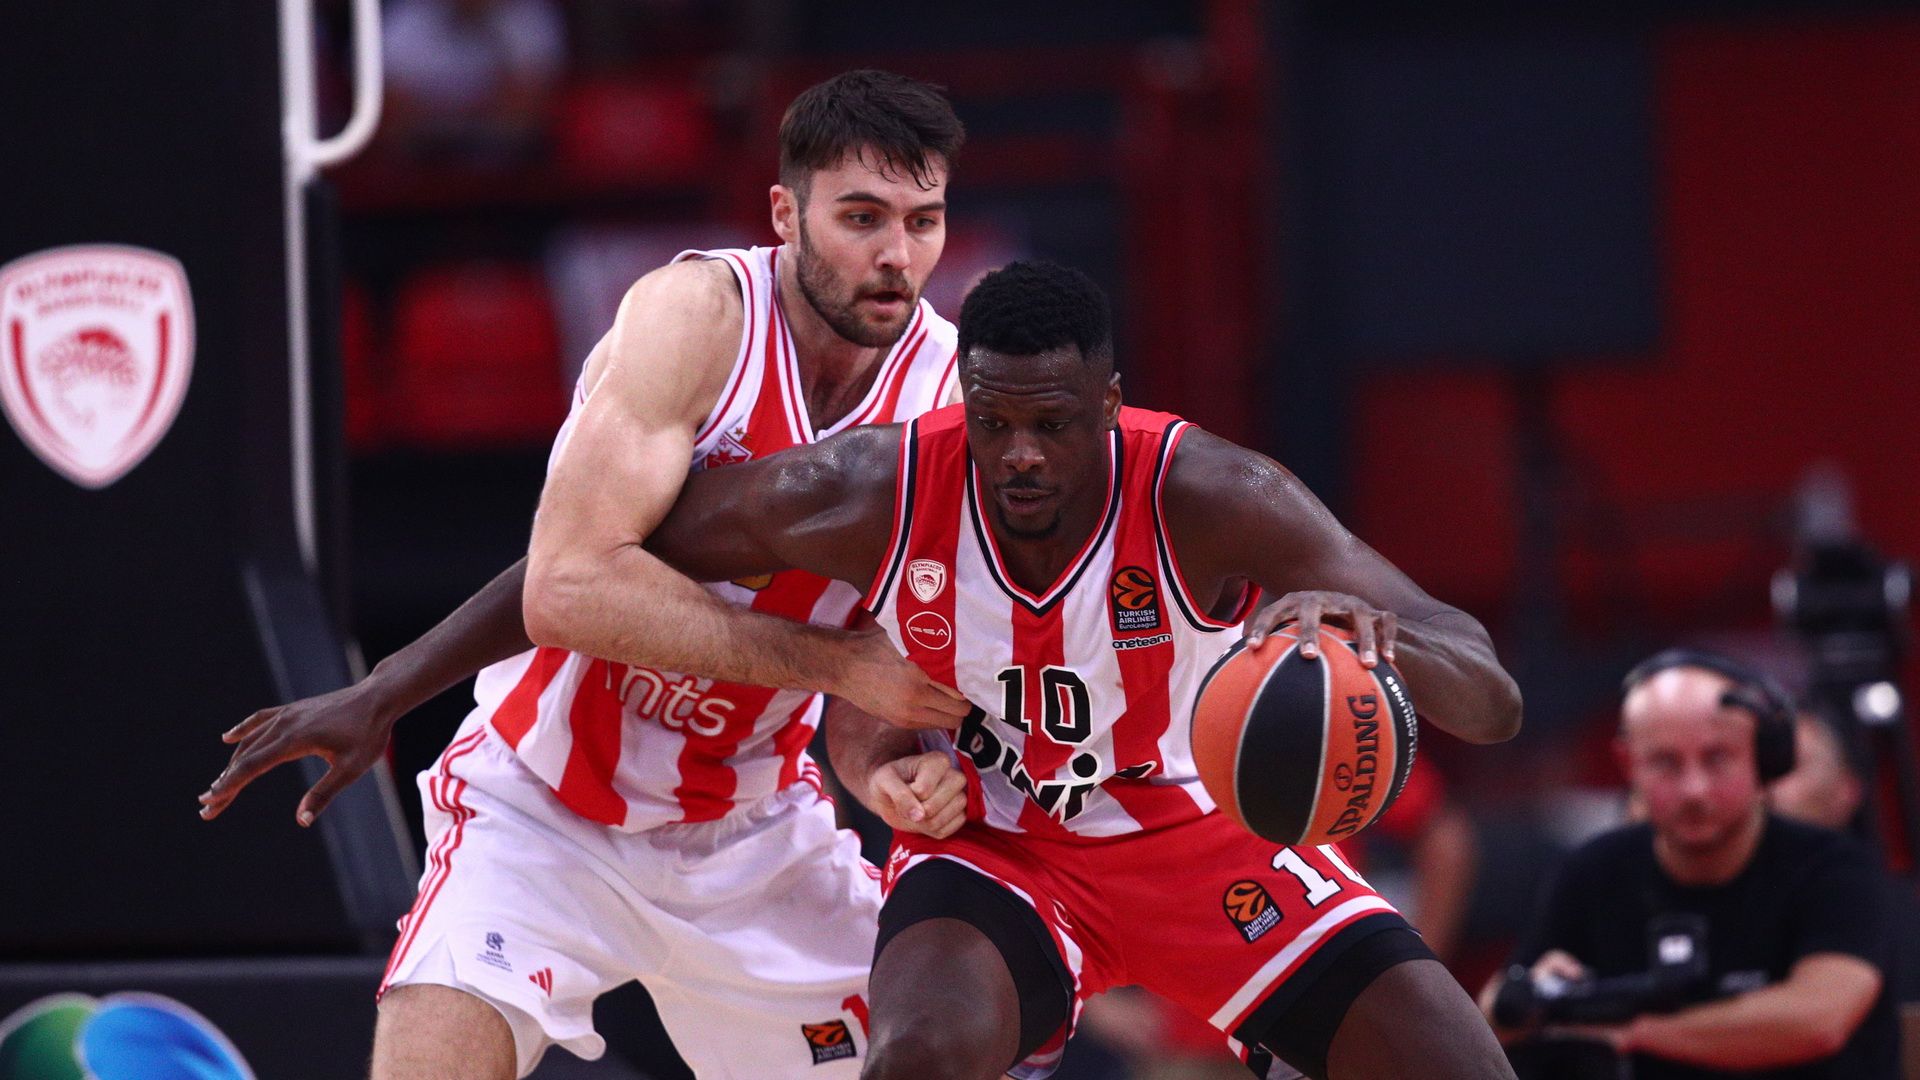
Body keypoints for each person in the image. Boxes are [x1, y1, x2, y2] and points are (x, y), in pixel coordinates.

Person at [201, 70, 974, 1079]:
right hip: (542, 806)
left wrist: (884, 770)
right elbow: (565, 590)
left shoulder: (947, 400)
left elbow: (879, 670)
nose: (895, 254)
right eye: (861, 218)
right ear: (787, 215)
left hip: (750, 827)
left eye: (922, 222)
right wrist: (828, 666)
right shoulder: (698, 318)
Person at [634, 260, 1525, 1080]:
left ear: (1109, 404)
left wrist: (1379, 640)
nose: (1020, 454)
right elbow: (611, 547)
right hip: (999, 844)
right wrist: (873, 767)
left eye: (1052, 425)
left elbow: (1494, 702)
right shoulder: (877, 489)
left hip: (1209, 830)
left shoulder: (1213, 494)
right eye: (994, 424)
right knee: (915, 1061)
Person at [1479, 651, 1899, 1078]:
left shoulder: (1838, 869)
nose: (1694, 789)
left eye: (1717, 758)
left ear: (1763, 758)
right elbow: (1493, 1015)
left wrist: (1629, 1032)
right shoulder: (1591, 870)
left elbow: (1818, 1020)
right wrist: (1530, 998)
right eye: (1665, 762)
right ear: (1628, 764)